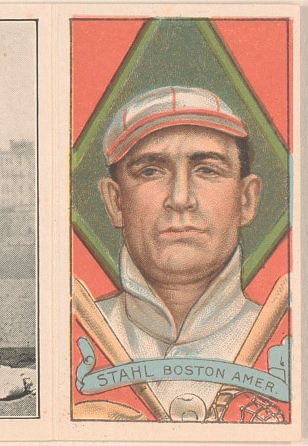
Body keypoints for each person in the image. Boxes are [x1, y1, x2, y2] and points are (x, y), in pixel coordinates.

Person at [95, 86, 263, 419]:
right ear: (116, 202)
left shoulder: (290, 332)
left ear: (246, 199)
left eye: (208, 170)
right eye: (150, 171)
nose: (181, 198)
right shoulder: (77, 331)